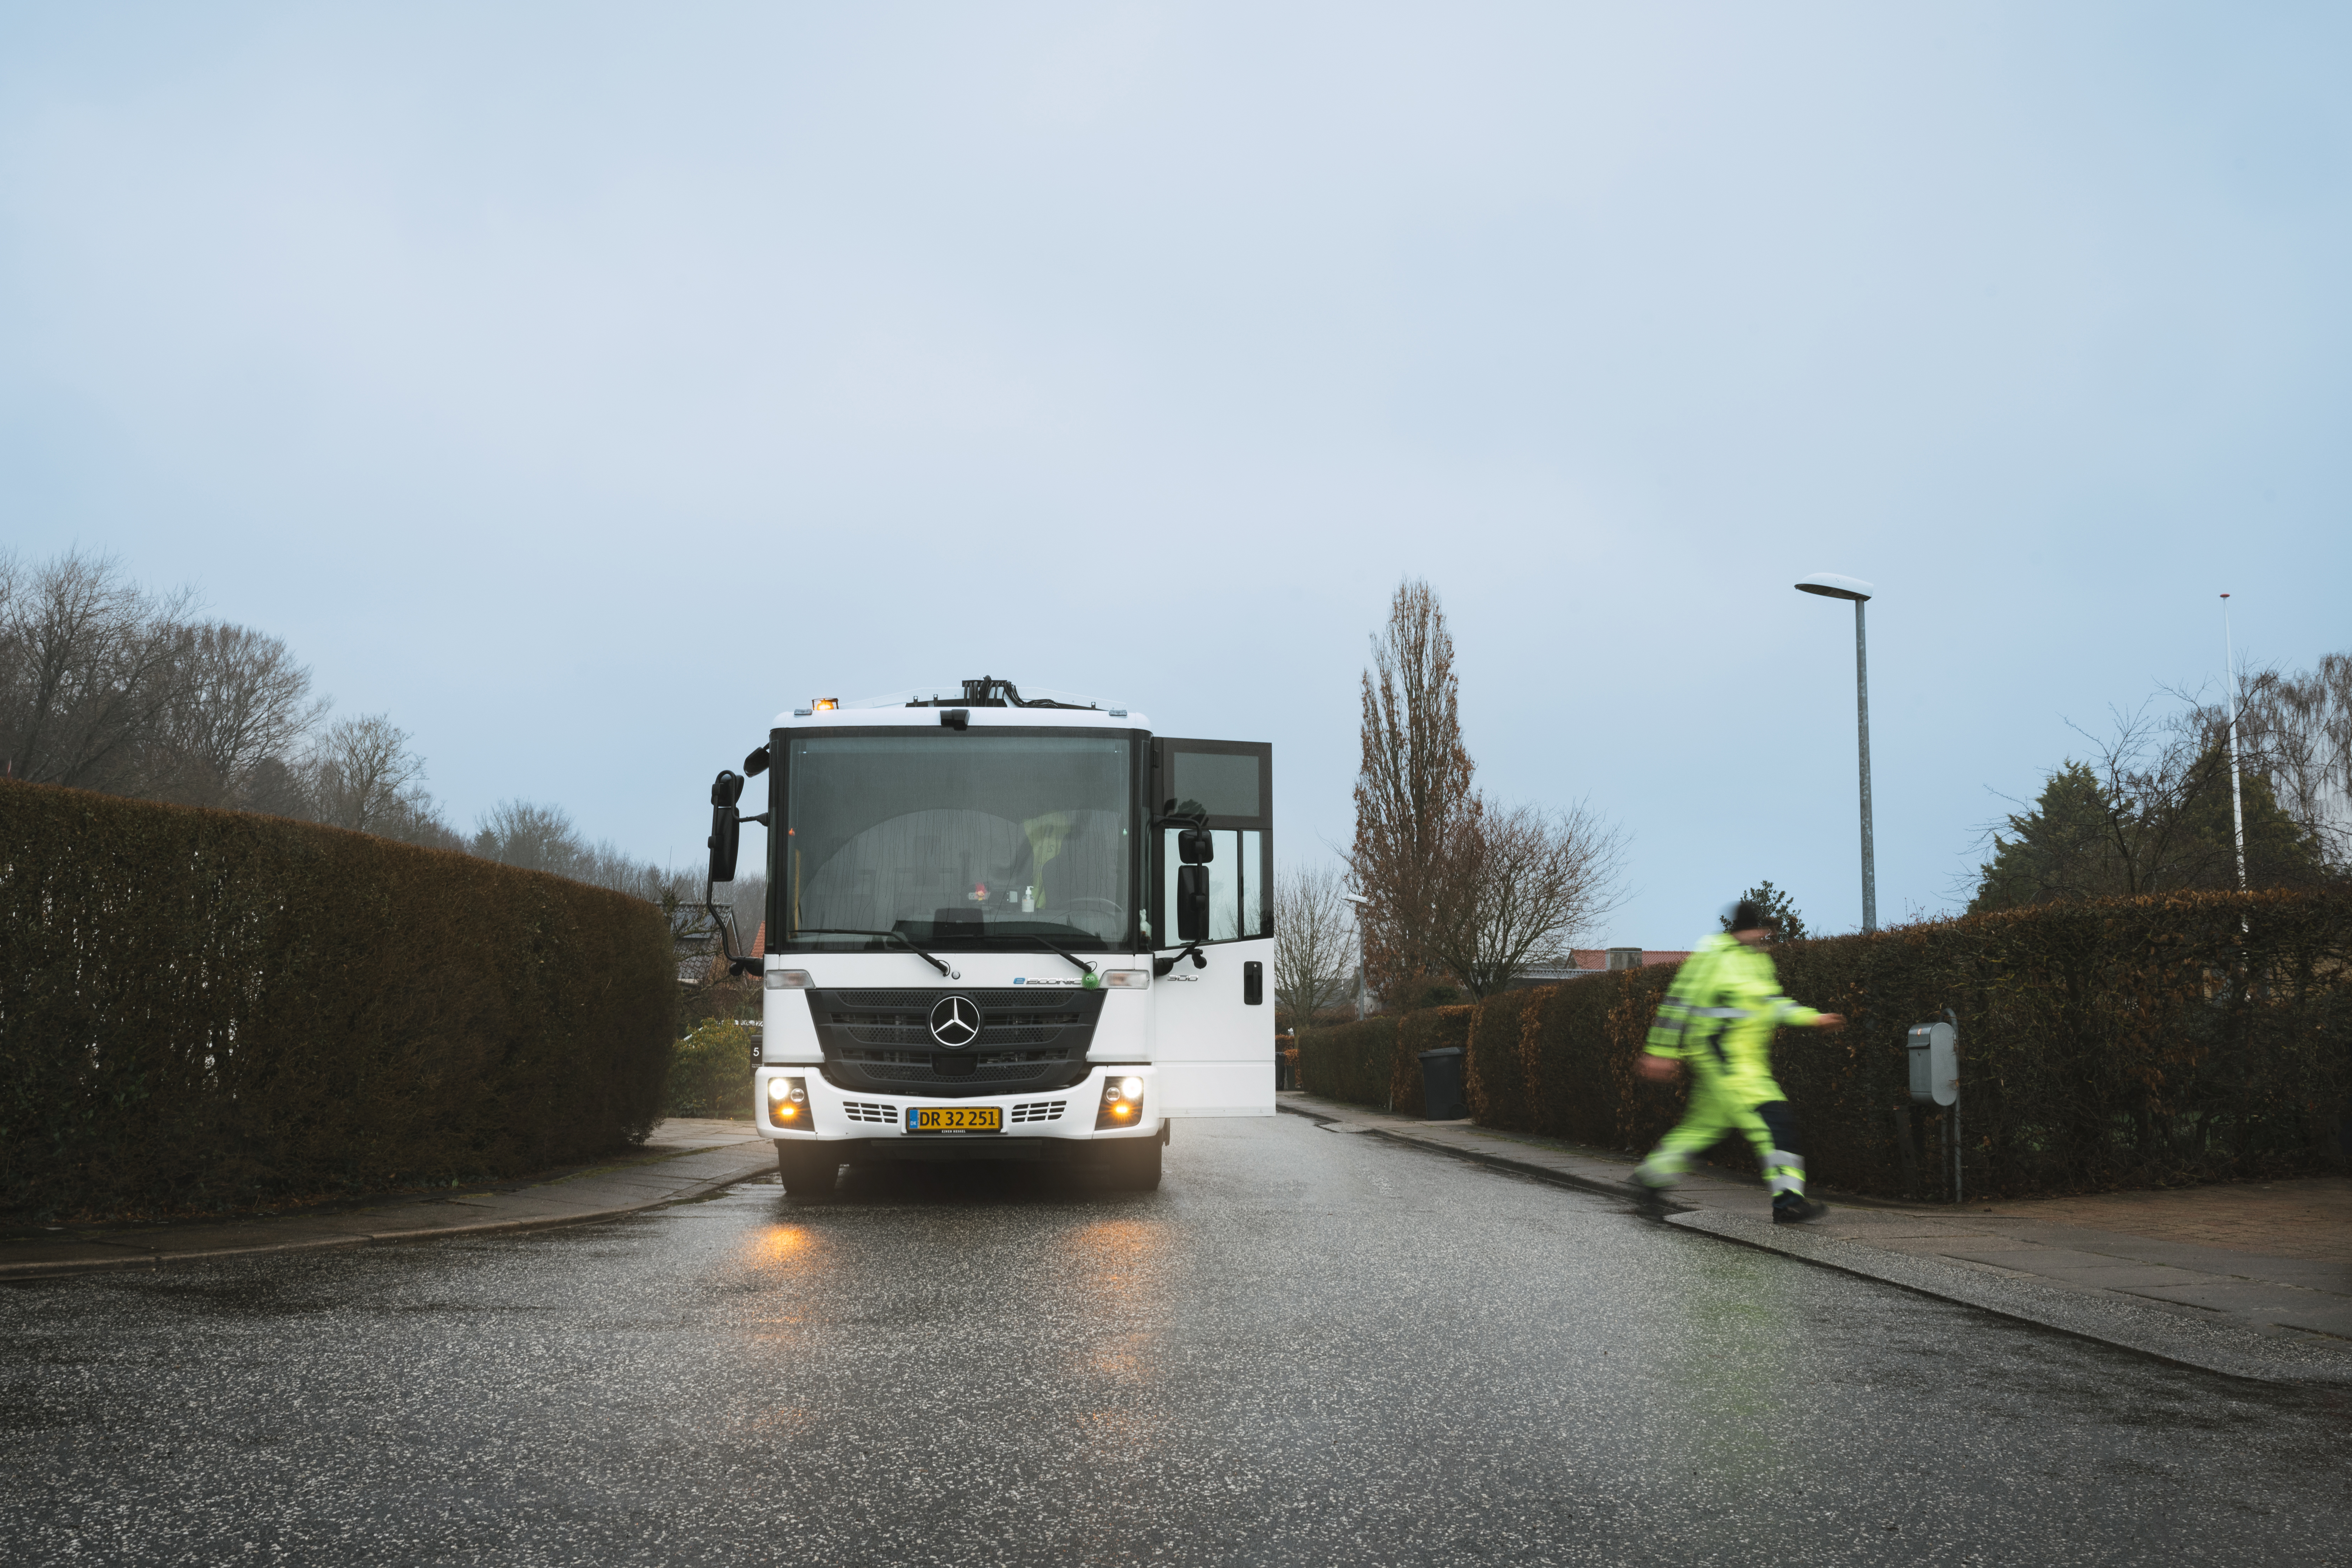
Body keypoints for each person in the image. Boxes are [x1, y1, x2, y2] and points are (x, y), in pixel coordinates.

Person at [1628, 899, 1846, 1223]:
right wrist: (1661, 1051)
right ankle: (1788, 1202)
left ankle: (1650, 1177)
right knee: (1773, 1121)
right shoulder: (1711, 956)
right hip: (1724, 1061)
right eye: (1761, 930)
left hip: (1743, 1065)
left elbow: (1773, 1004)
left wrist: (1813, 1018)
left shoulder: (1758, 963)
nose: (1765, 937)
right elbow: (1676, 1004)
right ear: (1749, 929)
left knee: (1702, 1128)